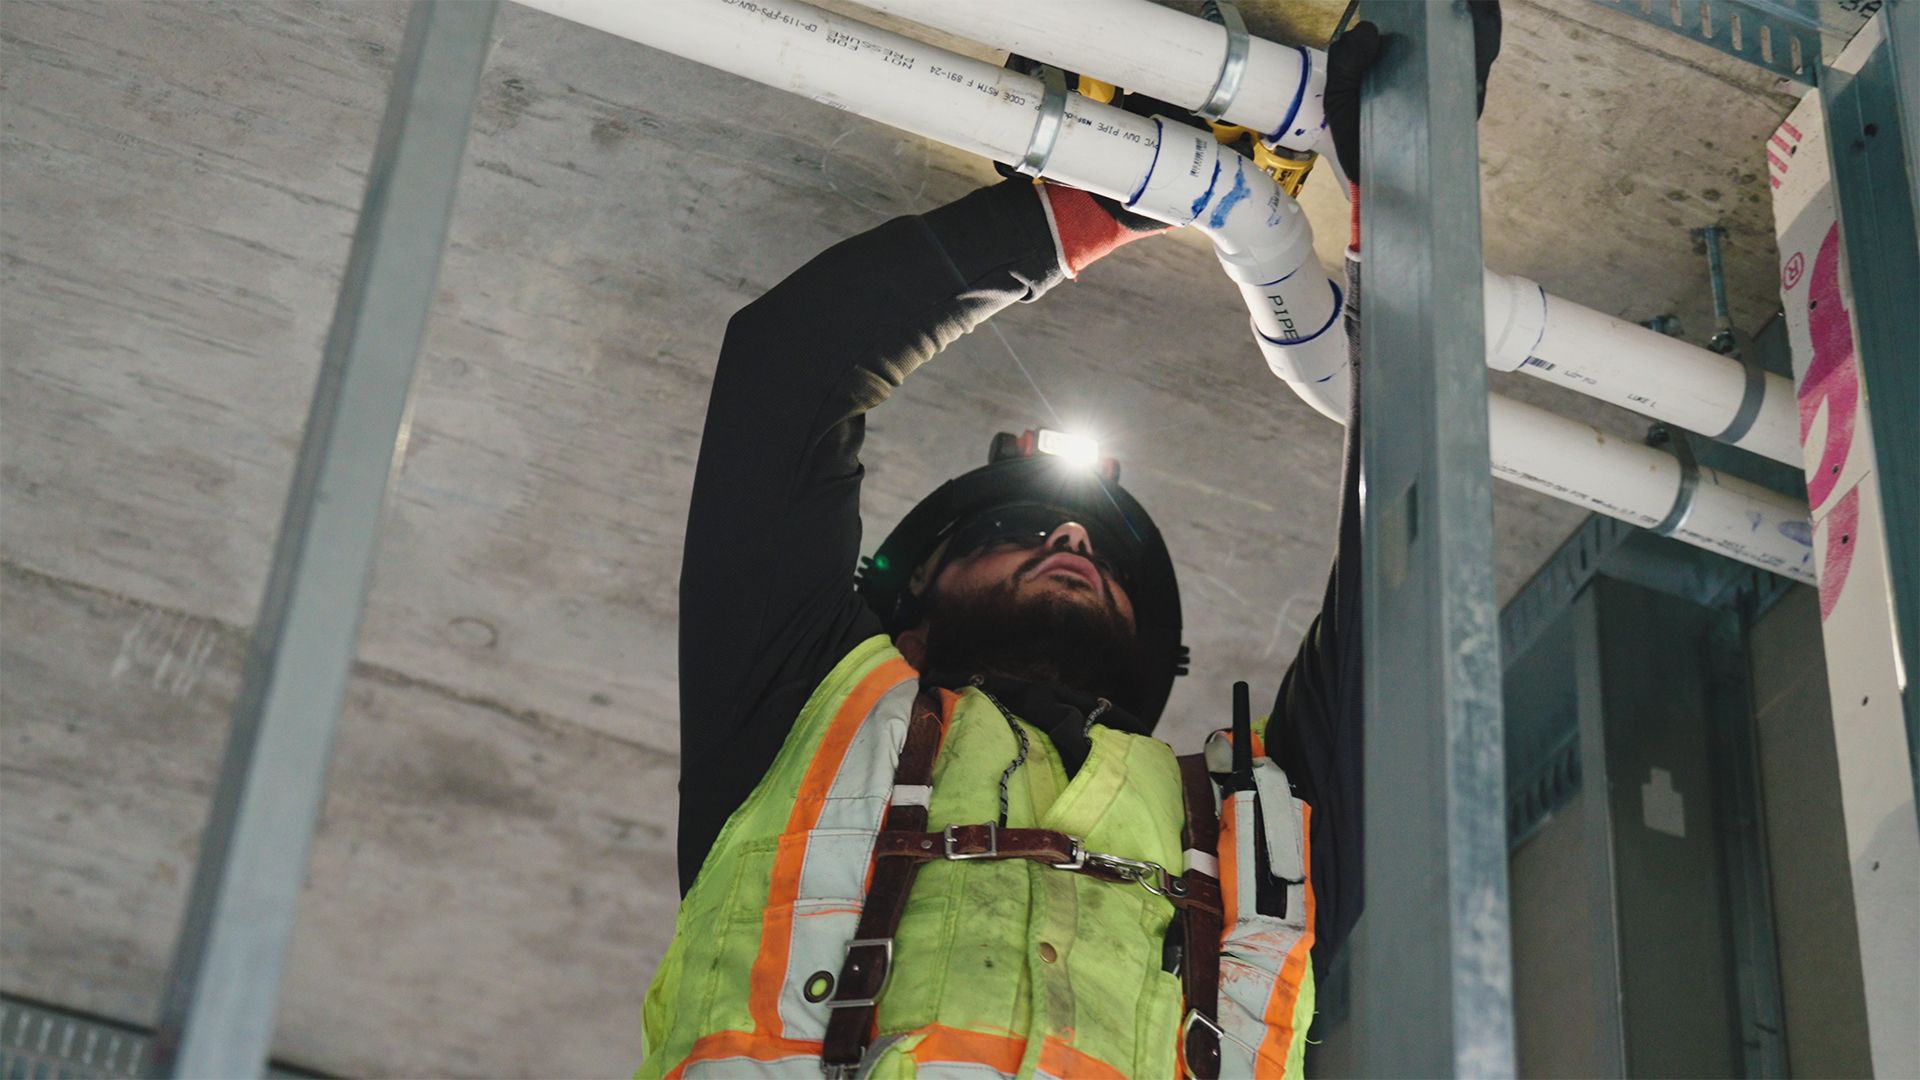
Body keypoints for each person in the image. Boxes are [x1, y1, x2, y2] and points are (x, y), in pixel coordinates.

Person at [644, 13, 1500, 1077]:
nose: (1060, 532)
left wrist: (1105, 196)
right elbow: (1413, 601)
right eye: (1017, 527)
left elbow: (788, 371)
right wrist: (1410, 212)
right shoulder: (1256, 834)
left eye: (1046, 531)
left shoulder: (795, 718)